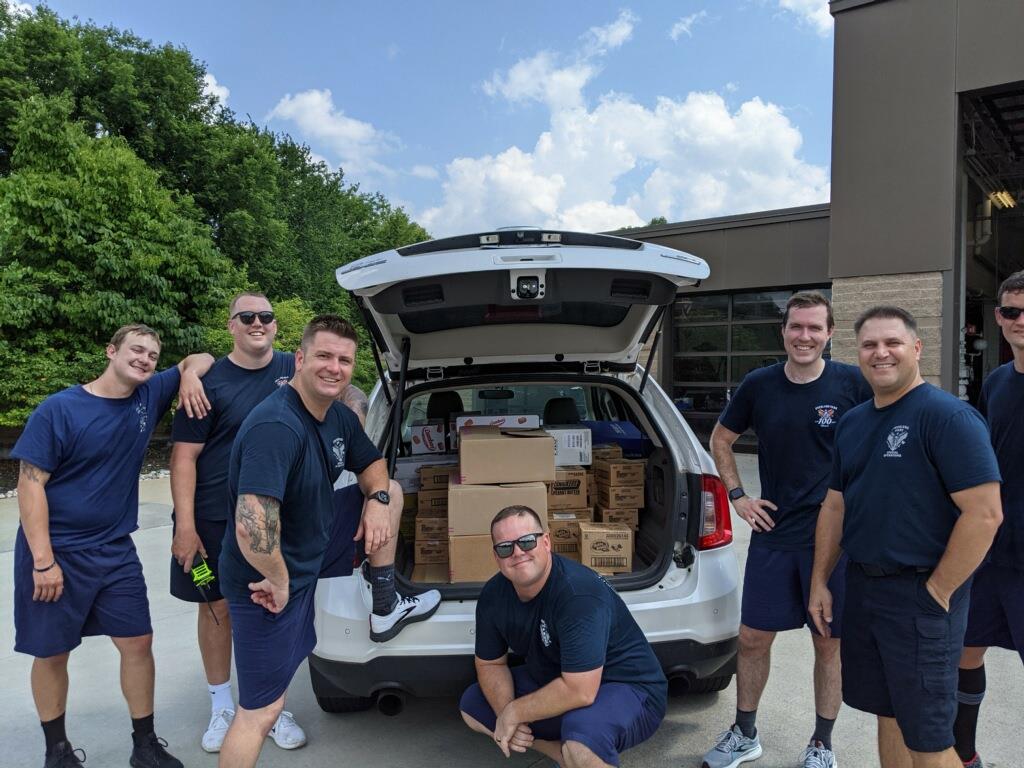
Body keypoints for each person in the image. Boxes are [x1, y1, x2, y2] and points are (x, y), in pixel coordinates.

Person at [215, 314, 441, 768]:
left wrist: (377, 499)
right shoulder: (276, 427)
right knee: (261, 710)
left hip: (310, 546)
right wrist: (281, 581)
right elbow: (252, 526)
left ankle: (385, 604)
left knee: (393, 492)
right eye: (323, 356)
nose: (334, 368)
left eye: (344, 360)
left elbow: (373, 464)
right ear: (300, 359)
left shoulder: (336, 415)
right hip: (265, 581)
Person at [12, 323, 214, 768]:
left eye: (152, 356)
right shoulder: (60, 409)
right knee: (52, 653)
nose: (145, 360)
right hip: (56, 552)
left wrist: (189, 375)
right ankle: (57, 752)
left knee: (138, 642)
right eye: (136, 350)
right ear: (111, 351)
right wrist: (43, 561)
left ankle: (145, 746)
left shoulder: (147, 395)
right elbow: (30, 485)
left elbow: (199, 358)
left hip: (115, 549)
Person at [809, 306, 1003, 768]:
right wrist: (820, 580)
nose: (881, 353)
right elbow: (835, 506)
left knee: (928, 738)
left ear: (916, 348)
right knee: (890, 714)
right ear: (856, 353)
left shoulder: (948, 417)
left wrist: (938, 592)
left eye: (892, 342)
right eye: (869, 345)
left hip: (921, 597)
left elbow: (985, 514)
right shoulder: (854, 422)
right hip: (865, 590)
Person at [702, 291, 870, 768]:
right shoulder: (760, 384)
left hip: (834, 540)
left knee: (828, 643)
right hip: (774, 533)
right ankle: (745, 733)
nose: (805, 336)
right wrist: (738, 496)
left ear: (829, 334)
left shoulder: (853, 383)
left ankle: (822, 744)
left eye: (815, 327)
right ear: (783, 332)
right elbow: (721, 438)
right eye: (796, 326)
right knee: (753, 638)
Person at [168, 292, 302, 753]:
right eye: (247, 317)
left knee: (272, 606)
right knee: (216, 607)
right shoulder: (206, 381)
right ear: (231, 325)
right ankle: (221, 706)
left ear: (276, 324)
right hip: (210, 522)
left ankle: (270, 705)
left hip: (274, 519)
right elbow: (184, 458)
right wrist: (185, 527)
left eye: (266, 316)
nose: (257, 323)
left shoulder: (296, 367)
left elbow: (342, 392)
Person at [459, 505, 668, 768]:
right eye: (505, 547)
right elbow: (490, 664)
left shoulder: (578, 594)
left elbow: (580, 691)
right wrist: (505, 712)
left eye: (527, 541)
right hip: (560, 678)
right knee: (474, 705)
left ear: (546, 542)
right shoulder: (493, 596)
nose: (518, 552)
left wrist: (515, 711)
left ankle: (577, 751)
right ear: (496, 556)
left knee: (580, 736)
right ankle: (561, 755)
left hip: (628, 687)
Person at [954, 271, 1024, 768]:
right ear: (999, 317)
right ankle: (964, 756)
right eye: (1012, 311)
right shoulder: (997, 383)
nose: (1021, 321)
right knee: (965, 651)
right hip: (990, 552)